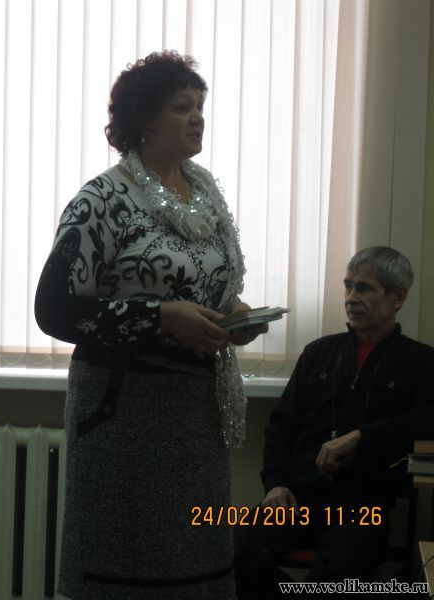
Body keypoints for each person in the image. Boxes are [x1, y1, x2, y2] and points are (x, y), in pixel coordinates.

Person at [34, 50, 266, 600]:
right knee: (128, 568)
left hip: (196, 409)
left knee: (197, 566)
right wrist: (161, 316)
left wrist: (233, 315)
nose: (197, 117)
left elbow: (206, 287)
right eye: (182, 107)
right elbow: (55, 310)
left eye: (200, 106)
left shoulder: (206, 194)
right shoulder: (104, 199)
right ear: (144, 119)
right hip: (125, 410)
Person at [234, 246, 434, 598]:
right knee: (226, 547)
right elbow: (282, 426)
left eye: (364, 288)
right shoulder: (319, 353)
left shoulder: (419, 361)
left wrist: (362, 436)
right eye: (348, 286)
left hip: (362, 509)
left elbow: (427, 419)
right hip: (298, 500)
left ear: (398, 297)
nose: (351, 298)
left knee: (338, 574)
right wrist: (276, 484)